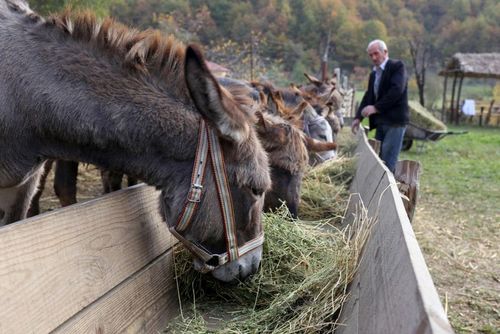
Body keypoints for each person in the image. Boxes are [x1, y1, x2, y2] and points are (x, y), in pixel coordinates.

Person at [351, 39, 409, 173]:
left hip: (395, 122)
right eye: (370, 55)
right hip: (381, 121)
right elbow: (369, 96)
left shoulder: (397, 67)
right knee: (378, 158)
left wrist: (376, 108)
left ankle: (387, 190)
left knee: (388, 161)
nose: (373, 57)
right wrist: (358, 117)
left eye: (376, 53)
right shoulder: (374, 74)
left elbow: (396, 90)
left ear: (385, 52)